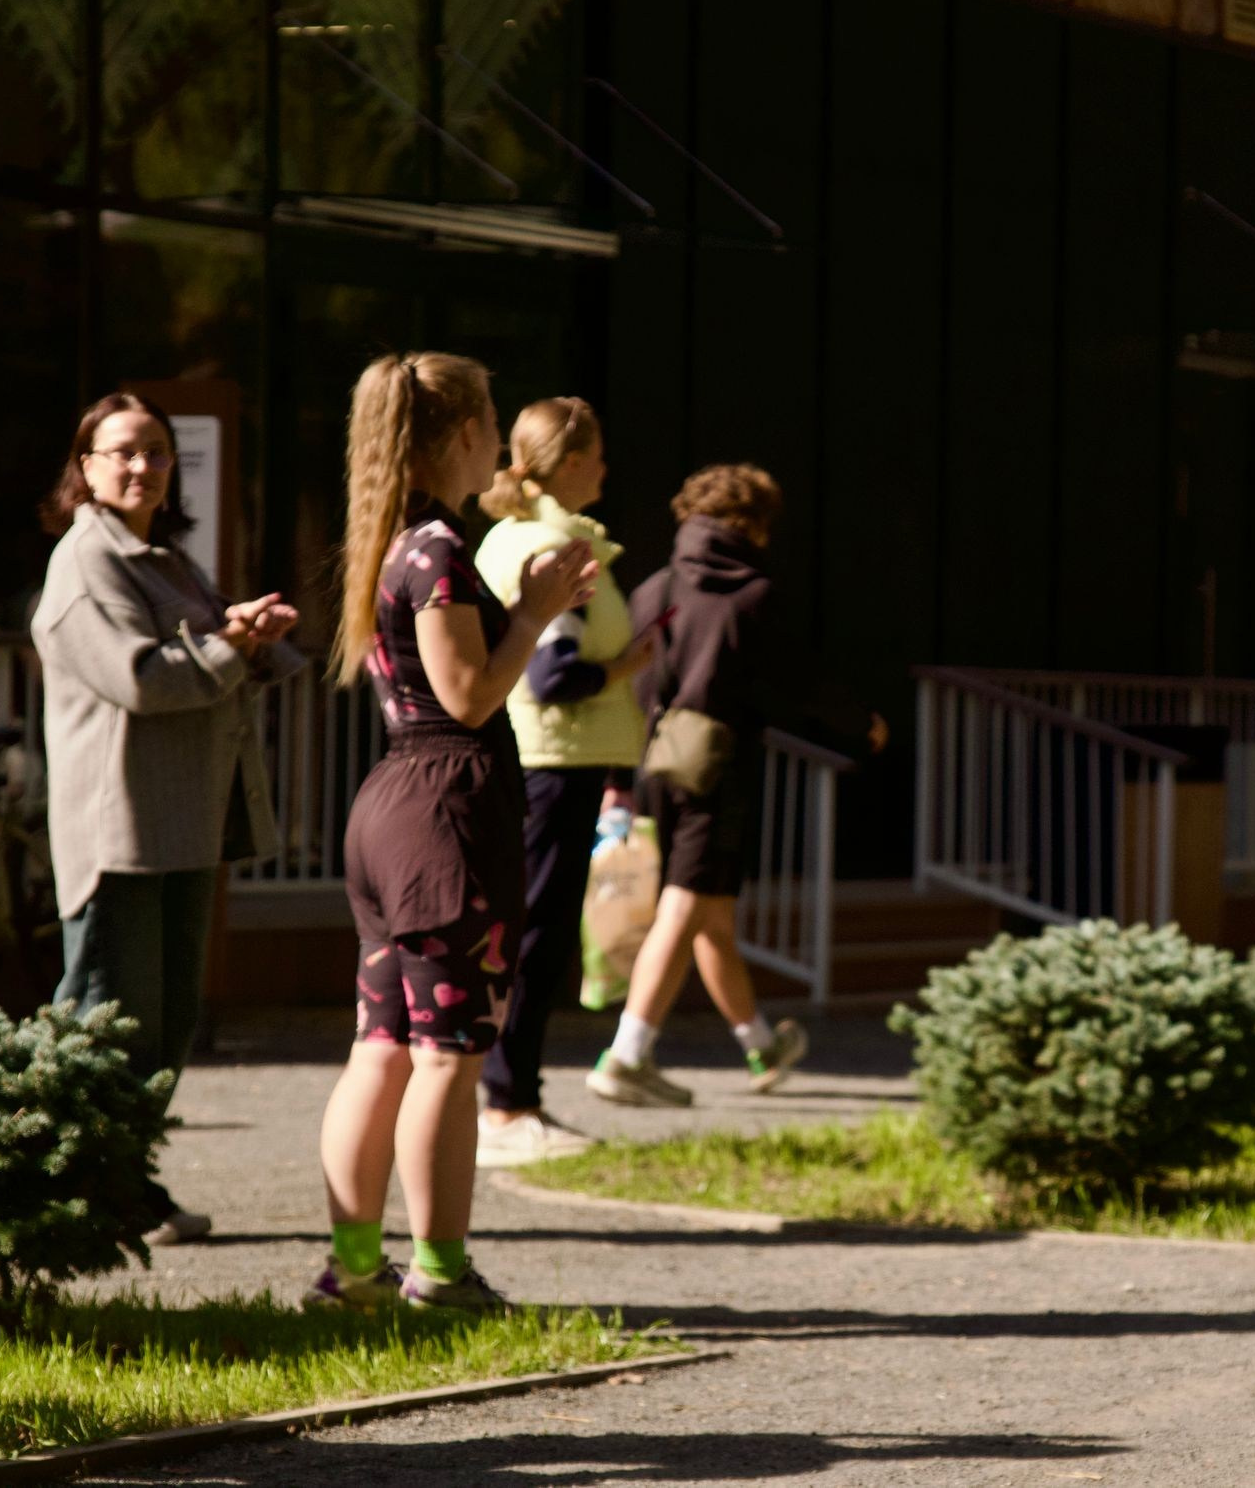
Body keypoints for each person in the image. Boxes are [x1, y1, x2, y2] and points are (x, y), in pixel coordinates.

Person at [312, 353, 597, 1311]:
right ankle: (438, 1272)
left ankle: (354, 1269)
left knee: (385, 1042)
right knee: (447, 1050)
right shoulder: (434, 545)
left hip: (393, 804)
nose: (498, 446)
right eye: (489, 427)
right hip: (443, 814)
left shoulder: (396, 538)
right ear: (465, 432)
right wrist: (536, 611)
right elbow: (469, 695)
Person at [31, 392, 304, 1246]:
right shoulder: (88, 562)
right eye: (122, 452)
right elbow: (143, 678)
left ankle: (123, 1176)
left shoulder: (163, 559)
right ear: (85, 467)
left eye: (156, 450)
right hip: (121, 831)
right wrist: (232, 646)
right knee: (109, 1015)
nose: (143, 465)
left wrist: (252, 634)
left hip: (180, 825)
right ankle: (59, 1184)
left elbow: (217, 650)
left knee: (170, 1017)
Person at [589, 464, 886, 1107]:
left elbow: (626, 690)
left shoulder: (655, 588)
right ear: (751, 523)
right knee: (686, 902)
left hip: (651, 767)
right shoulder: (753, 595)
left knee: (711, 916)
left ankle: (762, 1045)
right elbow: (801, 681)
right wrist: (863, 727)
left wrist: (619, 779)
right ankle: (627, 1054)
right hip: (716, 770)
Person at [469, 397, 652, 1167]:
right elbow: (557, 675)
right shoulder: (555, 546)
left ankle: (511, 1095)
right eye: (600, 451)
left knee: (523, 929)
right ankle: (508, 1102)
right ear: (571, 462)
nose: (608, 467)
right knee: (537, 934)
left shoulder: (513, 535)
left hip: (537, 756)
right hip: (552, 760)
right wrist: (633, 664)